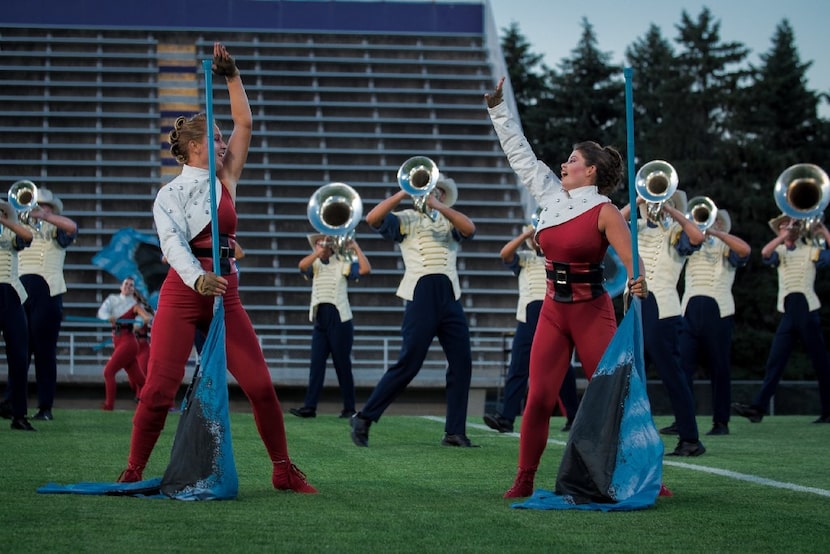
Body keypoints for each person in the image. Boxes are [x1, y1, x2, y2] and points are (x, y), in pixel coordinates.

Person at [117, 43, 316, 493]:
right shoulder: (168, 195)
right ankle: (133, 469)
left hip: (227, 292)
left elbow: (245, 121)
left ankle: (283, 469)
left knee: (261, 386)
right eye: (217, 139)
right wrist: (197, 277)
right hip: (184, 293)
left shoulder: (226, 179)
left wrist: (232, 77)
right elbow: (171, 244)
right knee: (159, 390)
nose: (226, 143)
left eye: (225, 138)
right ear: (192, 147)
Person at [485, 77, 648, 497]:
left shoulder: (606, 210)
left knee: (614, 396)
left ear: (590, 170)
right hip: (553, 311)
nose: (564, 164)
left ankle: (644, 472)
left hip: (592, 311)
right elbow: (519, 154)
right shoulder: (550, 196)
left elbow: (630, 255)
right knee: (538, 398)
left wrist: (638, 279)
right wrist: (497, 109)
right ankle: (524, 478)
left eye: (572, 160)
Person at [349, 170, 477, 448]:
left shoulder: (448, 218)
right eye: (429, 190)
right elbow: (372, 219)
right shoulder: (406, 218)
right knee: (410, 361)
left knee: (462, 362)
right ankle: (364, 417)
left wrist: (439, 206)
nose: (432, 194)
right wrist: (405, 192)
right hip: (421, 292)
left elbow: (470, 229)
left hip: (450, 293)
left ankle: (454, 431)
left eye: (437, 191)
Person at [620, 192, 707, 457]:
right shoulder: (633, 229)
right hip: (634, 304)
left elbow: (697, 237)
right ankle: (631, 435)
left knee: (672, 374)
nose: (651, 206)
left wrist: (672, 211)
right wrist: (636, 201)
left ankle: (690, 438)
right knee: (629, 373)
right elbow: (609, 224)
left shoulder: (676, 234)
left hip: (663, 309)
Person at [483, 225, 581, 434]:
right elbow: (504, 253)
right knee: (518, 366)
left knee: (562, 367)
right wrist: (527, 234)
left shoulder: (559, 256)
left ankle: (574, 416)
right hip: (528, 315)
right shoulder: (525, 258)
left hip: (553, 311)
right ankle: (506, 418)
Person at [733, 215, 830, 424]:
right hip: (788, 310)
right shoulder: (779, 251)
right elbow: (765, 253)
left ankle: (828, 410)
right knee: (775, 362)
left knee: (821, 363)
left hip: (807, 307)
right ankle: (757, 409)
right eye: (784, 226)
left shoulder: (810, 249)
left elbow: (828, 257)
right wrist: (782, 236)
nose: (788, 228)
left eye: (791, 225)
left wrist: (823, 232)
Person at [679, 208, 751, 436]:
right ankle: (683, 419)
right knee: (682, 368)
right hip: (689, 310)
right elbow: (681, 247)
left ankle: (721, 422)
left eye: (717, 221)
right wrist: (698, 231)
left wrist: (717, 233)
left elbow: (745, 250)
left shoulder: (727, 246)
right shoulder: (691, 242)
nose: (710, 223)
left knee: (720, 368)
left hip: (718, 312)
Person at [290, 234, 371, 419]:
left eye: (325, 242)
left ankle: (349, 408)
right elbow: (301, 266)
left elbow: (366, 269)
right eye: (319, 242)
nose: (323, 245)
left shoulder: (343, 261)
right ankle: (310, 407)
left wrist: (355, 246)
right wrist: (317, 253)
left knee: (342, 366)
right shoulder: (315, 263)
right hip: (321, 320)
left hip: (340, 320)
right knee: (316, 365)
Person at [16, 187, 78, 421]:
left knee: (44, 352)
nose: (38, 209)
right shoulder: (20, 229)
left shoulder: (57, 230)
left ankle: (45, 407)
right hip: (21, 290)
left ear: (52, 210)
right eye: (35, 206)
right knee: (19, 350)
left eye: (44, 206)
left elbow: (73, 227)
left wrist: (46, 217)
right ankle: (14, 403)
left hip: (49, 291)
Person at [0, 199, 35, 430]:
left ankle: (19, 414)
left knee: (19, 355)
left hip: (9, 293)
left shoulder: (10, 233)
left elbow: (28, 236)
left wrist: (4, 221)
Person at [97, 277, 152, 411]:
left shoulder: (134, 305)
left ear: (133, 289)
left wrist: (137, 324)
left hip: (128, 342)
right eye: (126, 284)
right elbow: (102, 313)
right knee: (140, 380)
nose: (128, 286)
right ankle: (154, 401)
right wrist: (108, 317)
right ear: (121, 287)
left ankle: (109, 406)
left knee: (108, 372)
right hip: (119, 341)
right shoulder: (112, 300)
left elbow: (146, 318)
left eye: (131, 285)